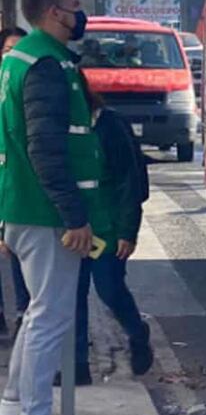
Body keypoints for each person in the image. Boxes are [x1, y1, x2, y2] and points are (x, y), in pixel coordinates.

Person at [0, 0, 102, 415]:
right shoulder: (44, 64)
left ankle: (13, 405)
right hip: (46, 213)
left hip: (24, 206)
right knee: (51, 317)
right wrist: (73, 216)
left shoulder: (20, 59)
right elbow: (45, 147)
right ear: (51, 13)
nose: (80, 13)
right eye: (74, 5)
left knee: (39, 311)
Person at [58, 76, 153, 386]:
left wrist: (128, 230)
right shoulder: (55, 127)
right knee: (72, 294)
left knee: (109, 288)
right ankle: (78, 365)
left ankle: (137, 333)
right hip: (73, 225)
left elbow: (131, 180)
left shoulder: (110, 125)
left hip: (108, 227)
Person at [0, 27, 31, 336]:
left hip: (17, 191)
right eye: (8, 49)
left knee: (21, 256)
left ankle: (24, 312)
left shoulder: (28, 89)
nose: (13, 56)